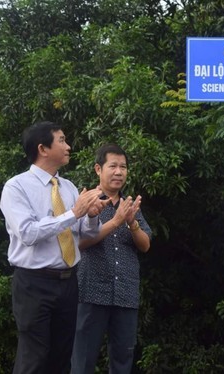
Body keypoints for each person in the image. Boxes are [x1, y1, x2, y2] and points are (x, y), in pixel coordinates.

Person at [0, 121, 108, 373]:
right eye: (61, 140)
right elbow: (28, 233)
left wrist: (91, 215)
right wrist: (73, 213)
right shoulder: (16, 187)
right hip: (33, 284)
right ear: (43, 148)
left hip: (68, 282)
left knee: (62, 357)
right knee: (34, 358)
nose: (68, 146)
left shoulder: (68, 187)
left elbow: (84, 233)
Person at [71, 144, 152, 374]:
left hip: (125, 293)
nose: (119, 172)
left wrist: (131, 222)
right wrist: (115, 222)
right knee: (83, 361)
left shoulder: (130, 205)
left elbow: (145, 245)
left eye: (123, 167)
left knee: (122, 362)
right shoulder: (87, 201)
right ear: (98, 169)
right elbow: (78, 243)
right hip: (91, 291)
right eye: (113, 166)